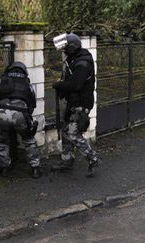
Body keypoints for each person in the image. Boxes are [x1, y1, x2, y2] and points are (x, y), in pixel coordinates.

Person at [51, 33, 100, 177]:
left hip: (81, 103)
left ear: (72, 48)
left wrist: (59, 85)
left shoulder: (82, 63)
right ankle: (67, 161)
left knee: (72, 133)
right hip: (74, 102)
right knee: (66, 131)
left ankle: (93, 158)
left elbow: (76, 84)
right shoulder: (75, 59)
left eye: (65, 48)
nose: (64, 51)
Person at [0, 62, 42, 179]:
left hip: (1, 113)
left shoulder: (0, 82)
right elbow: (32, 105)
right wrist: (25, 118)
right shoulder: (28, 85)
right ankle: (35, 168)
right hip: (20, 114)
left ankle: (4, 167)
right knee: (29, 140)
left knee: (1, 141)